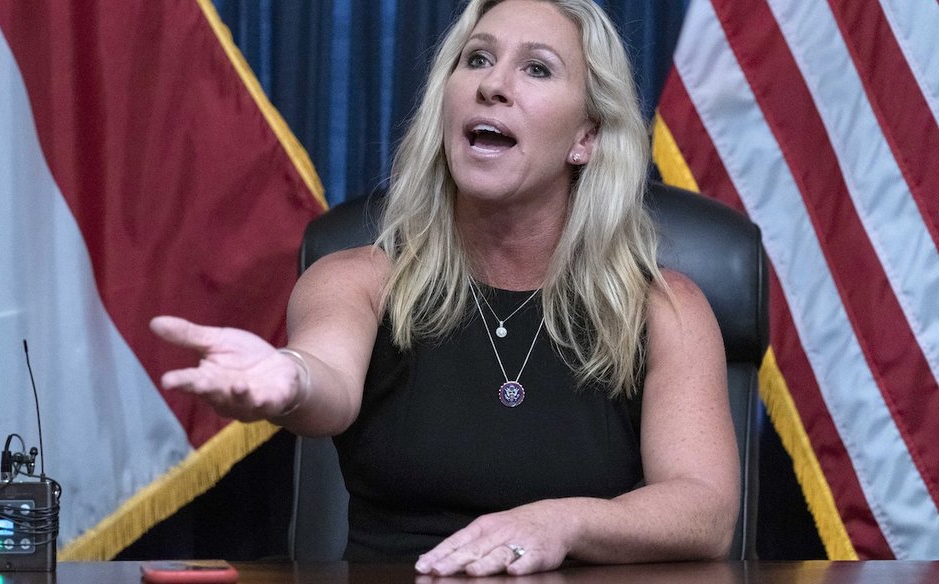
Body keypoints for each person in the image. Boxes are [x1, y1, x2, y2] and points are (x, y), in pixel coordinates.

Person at [150, 0, 738, 576]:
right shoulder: (358, 278)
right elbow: (326, 379)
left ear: (585, 137)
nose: (493, 85)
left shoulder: (664, 309)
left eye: (536, 68)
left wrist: (563, 524)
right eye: (477, 59)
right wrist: (292, 379)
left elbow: (704, 511)